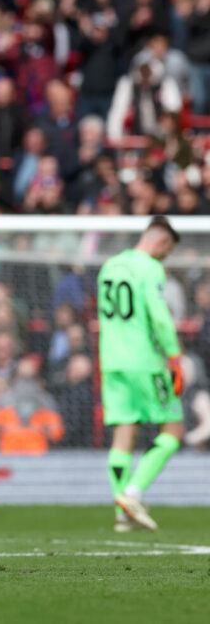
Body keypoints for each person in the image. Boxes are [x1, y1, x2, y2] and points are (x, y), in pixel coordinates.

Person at [97, 216, 184, 532]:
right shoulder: (150, 268)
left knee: (124, 432)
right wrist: (174, 356)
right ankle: (133, 493)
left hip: (111, 361)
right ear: (160, 241)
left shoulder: (110, 266)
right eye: (167, 251)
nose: (165, 258)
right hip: (144, 361)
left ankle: (122, 510)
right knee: (173, 431)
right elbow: (159, 316)